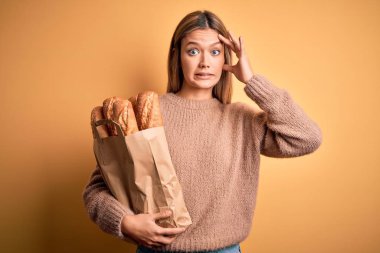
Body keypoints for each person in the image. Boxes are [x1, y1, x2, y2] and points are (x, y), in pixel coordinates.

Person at [82, 9, 323, 253]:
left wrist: (251, 80)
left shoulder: (243, 121)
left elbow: (307, 137)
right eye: (193, 51)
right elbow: (97, 189)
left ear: (225, 60)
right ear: (177, 57)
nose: (205, 62)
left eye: (215, 52)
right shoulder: (146, 113)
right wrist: (124, 222)